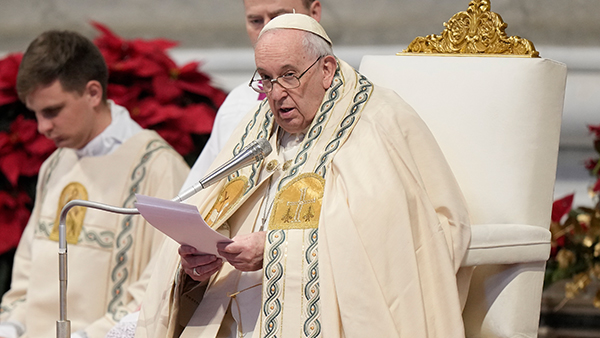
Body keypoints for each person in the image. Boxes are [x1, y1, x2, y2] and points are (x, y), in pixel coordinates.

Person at [137, 14, 471, 338]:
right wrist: (200, 263)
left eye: (289, 75)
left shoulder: (376, 119)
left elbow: (387, 233)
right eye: (266, 78)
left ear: (326, 70)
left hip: (326, 313)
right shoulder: (255, 128)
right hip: (231, 308)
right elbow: (216, 209)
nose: (276, 93)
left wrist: (275, 249)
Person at [0, 30, 190, 338]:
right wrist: (10, 326)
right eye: (35, 114)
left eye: (52, 111)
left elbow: (161, 282)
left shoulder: (157, 166)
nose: (42, 127)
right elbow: (26, 275)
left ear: (92, 93)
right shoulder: (56, 163)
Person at [180, 0, 321, 189]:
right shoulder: (238, 104)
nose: (266, 31)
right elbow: (197, 195)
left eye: (279, 18)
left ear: (314, 14)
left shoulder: (355, 102)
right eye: (256, 21)